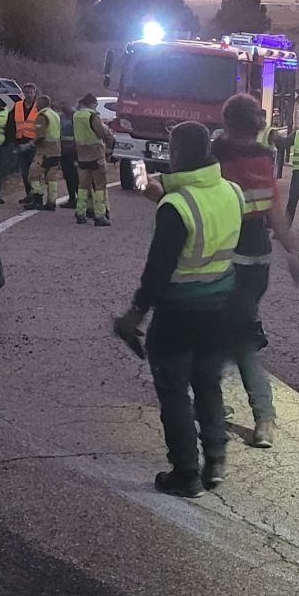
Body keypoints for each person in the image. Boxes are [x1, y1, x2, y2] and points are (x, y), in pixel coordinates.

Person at [114, 121, 244, 498]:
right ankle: (215, 461)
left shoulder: (175, 206)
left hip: (178, 314)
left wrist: (134, 314)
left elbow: (158, 271)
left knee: (173, 392)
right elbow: (206, 219)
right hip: (220, 308)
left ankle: (186, 472)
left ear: (175, 154)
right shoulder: (231, 191)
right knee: (208, 385)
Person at [211, 94, 299, 448]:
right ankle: (246, 411)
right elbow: (275, 212)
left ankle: (262, 415)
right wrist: (292, 251)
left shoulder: (215, 157)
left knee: (231, 337)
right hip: (258, 258)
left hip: (224, 255)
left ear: (227, 121)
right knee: (235, 329)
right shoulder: (266, 159)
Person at [71, 93, 117, 226]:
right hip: (96, 155)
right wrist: (110, 143)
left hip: (81, 154)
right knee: (100, 186)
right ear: (92, 103)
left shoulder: (76, 116)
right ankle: (100, 215)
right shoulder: (92, 116)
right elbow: (103, 133)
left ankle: (80, 213)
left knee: (83, 186)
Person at [31, 95, 65, 211]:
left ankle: (37, 200)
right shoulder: (54, 114)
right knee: (51, 177)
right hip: (56, 150)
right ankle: (51, 202)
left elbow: (40, 135)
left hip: (44, 151)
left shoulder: (42, 115)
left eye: (37, 104)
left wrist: (30, 145)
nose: (35, 106)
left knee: (33, 175)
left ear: (41, 104)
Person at [10, 84, 41, 204]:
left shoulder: (38, 107)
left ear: (34, 93)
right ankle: (29, 194)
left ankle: (36, 195)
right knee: (24, 171)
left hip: (34, 143)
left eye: (30, 92)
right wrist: (12, 140)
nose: (28, 95)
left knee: (34, 171)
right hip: (20, 141)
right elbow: (11, 123)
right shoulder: (17, 105)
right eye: (26, 92)